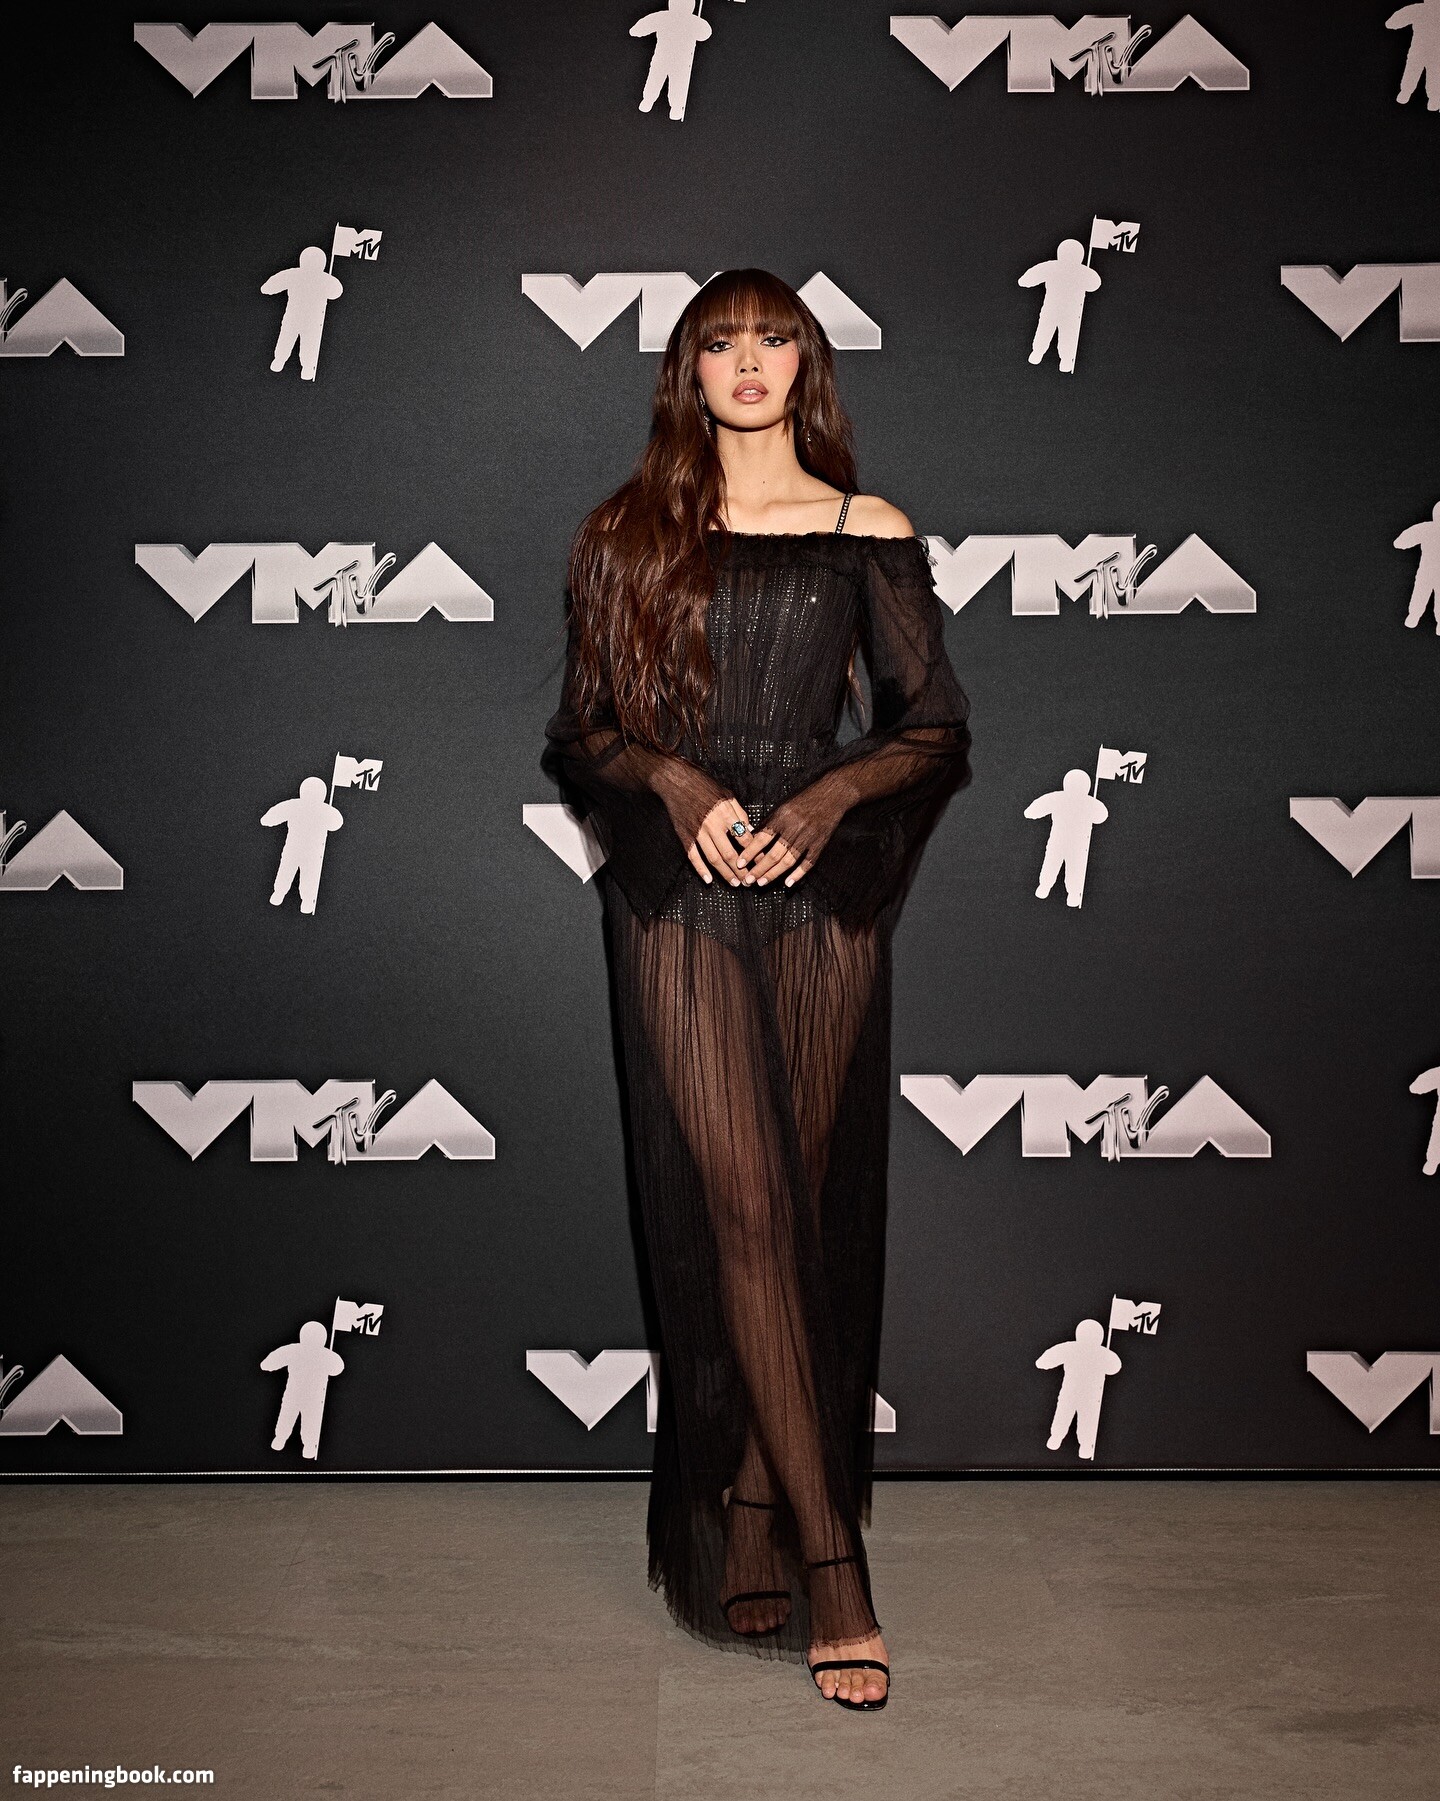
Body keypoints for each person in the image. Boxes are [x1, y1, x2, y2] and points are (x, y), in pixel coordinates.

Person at [541, 269, 971, 1711]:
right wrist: (674, 783)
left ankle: (748, 1504)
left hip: (819, 894)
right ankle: (835, 1565)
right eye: (720, 342)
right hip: (679, 892)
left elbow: (934, 727)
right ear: (688, 369)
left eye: (773, 339)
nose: (748, 362)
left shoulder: (866, 529)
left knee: (799, 1199)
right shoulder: (626, 532)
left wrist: (832, 795)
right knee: (739, 1203)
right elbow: (585, 730)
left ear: (806, 365)